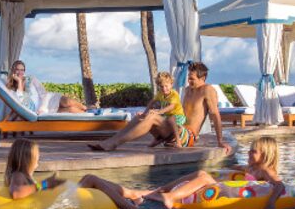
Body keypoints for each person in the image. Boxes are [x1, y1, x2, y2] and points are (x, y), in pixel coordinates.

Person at [91, 62, 231, 152]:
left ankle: (113, 144)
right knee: (142, 117)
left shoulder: (208, 90)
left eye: (192, 78)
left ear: (203, 78)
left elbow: (215, 115)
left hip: (188, 137)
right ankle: (110, 141)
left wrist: (220, 141)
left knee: (152, 117)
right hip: (176, 129)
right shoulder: (188, 90)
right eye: (189, 77)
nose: (189, 80)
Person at [142, 135, 287, 209]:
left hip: (226, 194)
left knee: (204, 177)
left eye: (253, 151)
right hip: (226, 190)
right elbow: (238, 168)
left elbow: (279, 185)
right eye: (249, 150)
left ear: (266, 155)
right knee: (201, 172)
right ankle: (163, 189)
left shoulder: (266, 170)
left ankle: (170, 197)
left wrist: (270, 202)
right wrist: (229, 164)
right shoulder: (251, 168)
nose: (248, 153)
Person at [4, 137, 143, 209]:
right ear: (27, 159)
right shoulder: (18, 175)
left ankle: (130, 195)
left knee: (91, 179)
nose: (39, 160)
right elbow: (16, 193)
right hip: (60, 202)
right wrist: (45, 184)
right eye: (36, 157)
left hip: (58, 200)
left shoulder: (23, 175)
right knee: (91, 178)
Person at [2, 60, 88, 114]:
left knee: (68, 102)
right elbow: (21, 100)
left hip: (48, 100)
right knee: (71, 110)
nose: (20, 72)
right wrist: (19, 82)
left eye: (22, 70)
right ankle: (88, 115)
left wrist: (42, 107)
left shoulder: (31, 79)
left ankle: (88, 110)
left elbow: (43, 93)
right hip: (43, 111)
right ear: (13, 70)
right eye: (17, 69)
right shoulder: (11, 88)